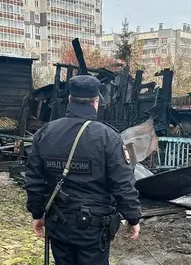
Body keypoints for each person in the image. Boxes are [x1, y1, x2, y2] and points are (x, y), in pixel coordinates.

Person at [24, 74, 141, 265]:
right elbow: (122, 183)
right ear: (95, 103)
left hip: (58, 223)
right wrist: (133, 217)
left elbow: (34, 181)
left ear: (70, 99)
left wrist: (37, 214)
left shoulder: (45, 133)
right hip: (93, 230)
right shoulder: (108, 137)